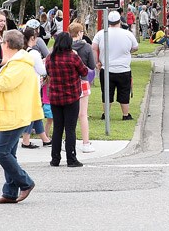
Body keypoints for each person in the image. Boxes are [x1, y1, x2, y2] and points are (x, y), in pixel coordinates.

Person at [0, 30, 41, 204]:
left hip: (14, 114)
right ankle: (9, 192)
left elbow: (4, 83)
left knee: (0, 152)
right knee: (9, 154)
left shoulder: (19, 64)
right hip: (15, 113)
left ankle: (26, 182)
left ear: (6, 44)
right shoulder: (17, 62)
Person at [45, 32, 88, 167]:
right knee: (70, 128)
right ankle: (71, 158)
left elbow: (48, 72)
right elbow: (84, 72)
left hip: (55, 97)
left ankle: (55, 158)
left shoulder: (50, 58)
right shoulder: (73, 57)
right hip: (71, 96)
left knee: (58, 128)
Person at [92, 11, 139, 120]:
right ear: (120, 21)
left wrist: (97, 62)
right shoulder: (127, 34)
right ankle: (125, 115)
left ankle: (106, 114)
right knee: (124, 92)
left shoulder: (101, 33)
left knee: (106, 92)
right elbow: (136, 47)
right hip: (124, 68)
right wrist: (128, 51)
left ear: (108, 22)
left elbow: (94, 47)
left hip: (106, 68)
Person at [20, 28, 52, 150]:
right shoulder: (34, 53)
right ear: (33, 38)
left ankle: (44, 138)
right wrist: (45, 63)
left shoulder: (21, 51)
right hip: (33, 86)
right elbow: (42, 71)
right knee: (33, 112)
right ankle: (26, 140)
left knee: (36, 113)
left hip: (24, 85)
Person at [69, 22, 96, 153]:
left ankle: (68, 142)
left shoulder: (65, 46)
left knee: (69, 114)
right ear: (80, 33)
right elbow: (92, 65)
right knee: (83, 114)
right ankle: (86, 143)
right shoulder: (87, 47)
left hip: (68, 82)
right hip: (83, 81)